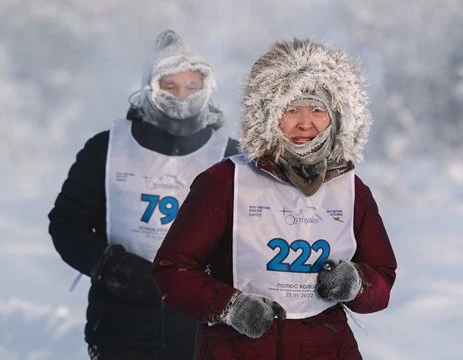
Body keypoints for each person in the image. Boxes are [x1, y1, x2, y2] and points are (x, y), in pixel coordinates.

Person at [152, 38, 397, 359]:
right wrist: (231, 307)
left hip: (327, 349)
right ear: (267, 114)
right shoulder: (224, 181)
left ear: (337, 116)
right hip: (236, 350)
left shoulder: (352, 189)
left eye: (318, 109)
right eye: (291, 109)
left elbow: (382, 278)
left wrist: (356, 284)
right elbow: (173, 269)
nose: (305, 123)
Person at [48, 29, 238, 360]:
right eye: (170, 87)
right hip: (120, 331)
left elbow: (260, 236)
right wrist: (107, 265)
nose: (182, 98)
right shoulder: (106, 149)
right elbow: (66, 225)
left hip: (205, 332)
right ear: (150, 88)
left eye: (192, 87)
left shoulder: (232, 158)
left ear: (207, 90)